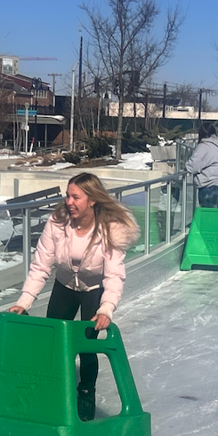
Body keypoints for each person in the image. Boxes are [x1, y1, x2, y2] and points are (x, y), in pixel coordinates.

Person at [9, 172, 141, 421]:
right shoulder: (58, 223)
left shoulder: (110, 229)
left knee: (85, 346)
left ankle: (85, 392)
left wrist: (106, 309)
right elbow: (40, 265)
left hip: (93, 290)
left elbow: (114, 275)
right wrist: (24, 302)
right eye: (67, 196)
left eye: (75, 197)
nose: (69, 202)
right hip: (64, 287)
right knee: (56, 343)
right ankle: (55, 391)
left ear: (92, 200)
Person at [186, 123, 218, 208]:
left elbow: (193, 165)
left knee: (208, 211)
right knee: (213, 208)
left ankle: (212, 221)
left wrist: (185, 168)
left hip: (209, 183)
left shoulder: (204, 146)